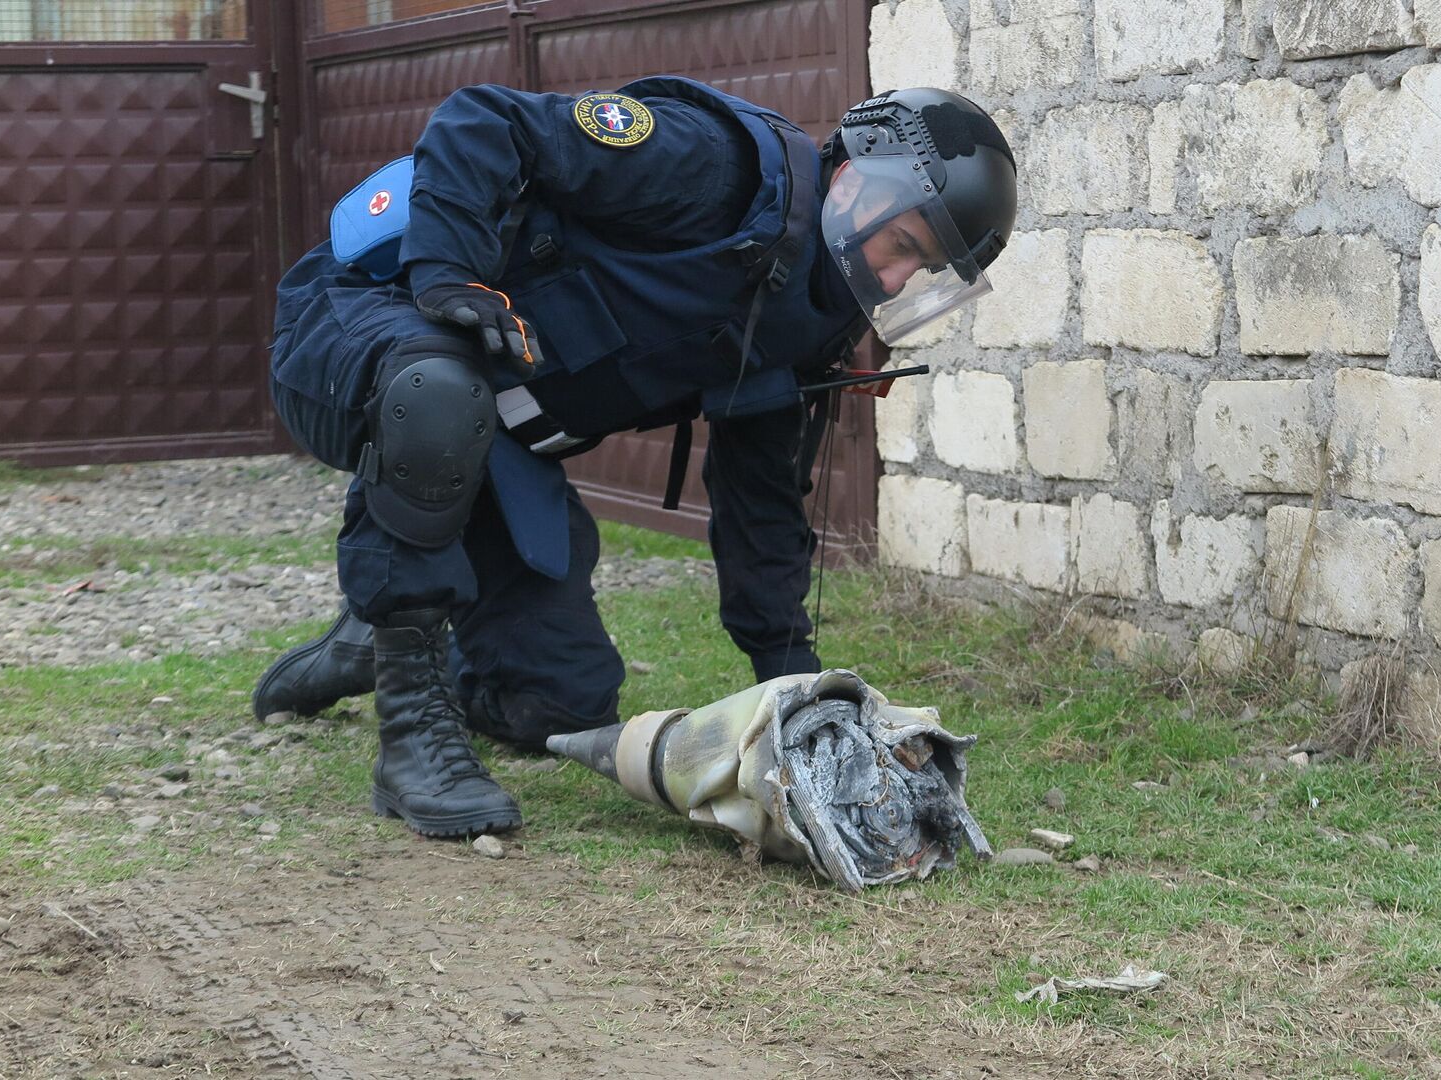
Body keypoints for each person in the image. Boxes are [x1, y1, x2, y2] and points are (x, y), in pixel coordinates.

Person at [249, 76, 1018, 838]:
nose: (891, 280)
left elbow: (762, 499)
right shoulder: (710, 166)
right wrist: (448, 272)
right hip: (355, 318)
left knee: (559, 706)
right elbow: (484, 120)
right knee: (439, 392)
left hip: (494, 436)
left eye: (915, 272)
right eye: (902, 247)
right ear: (856, 174)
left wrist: (796, 690)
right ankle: (411, 734)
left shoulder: (806, 318)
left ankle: (376, 640)